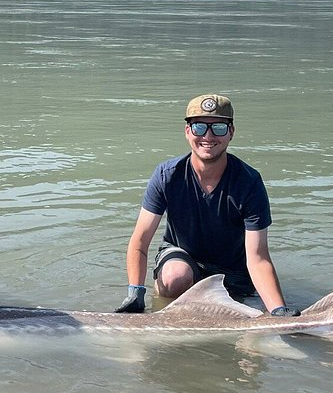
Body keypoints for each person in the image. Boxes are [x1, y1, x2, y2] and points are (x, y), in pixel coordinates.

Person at [118, 93, 298, 316]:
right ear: (187, 131)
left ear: (231, 132)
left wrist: (278, 310)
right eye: (199, 127)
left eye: (219, 128)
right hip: (182, 257)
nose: (208, 136)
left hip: (233, 271)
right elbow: (140, 241)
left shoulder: (249, 182)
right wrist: (135, 293)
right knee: (175, 277)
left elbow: (258, 257)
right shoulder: (167, 175)